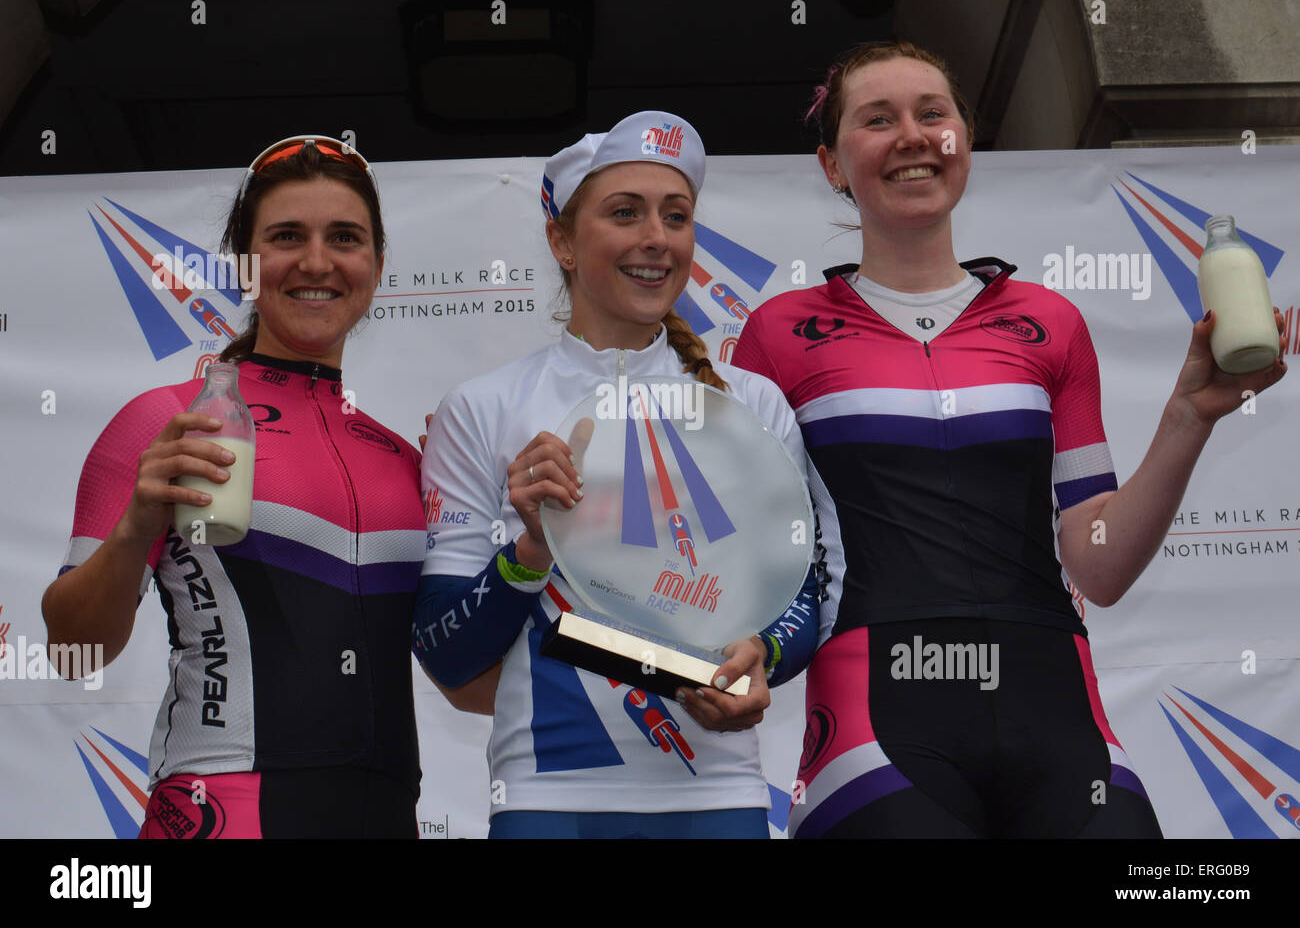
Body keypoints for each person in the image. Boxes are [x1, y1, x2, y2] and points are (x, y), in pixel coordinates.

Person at [732, 41, 1289, 838]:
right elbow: (758, 552)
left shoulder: (1049, 321)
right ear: (831, 164)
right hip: (875, 714)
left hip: (1055, 705)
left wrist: (1188, 417)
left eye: (933, 114)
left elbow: (1096, 562)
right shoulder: (779, 333)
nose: (913, 136)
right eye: (877, 120)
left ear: (964, 137)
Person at [413, 111, 837, 838]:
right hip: (547, 797)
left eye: (676, 216)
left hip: (720, 797)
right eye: (625, 213)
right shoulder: (482, 408)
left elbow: (808, 586)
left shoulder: (751, 403)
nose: (656, 238)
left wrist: (761, 653)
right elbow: (446, 653)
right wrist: (529, 554)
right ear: (562, 242)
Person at [43, 136, 426, 838]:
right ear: (246, 264)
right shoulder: (170, 420)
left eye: (345, 237)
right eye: (287, 237)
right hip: (226, 809)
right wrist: (134, 527)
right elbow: (73, 654)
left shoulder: (405, 457)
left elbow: (468, 679)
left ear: (374, 263)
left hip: (386, 815)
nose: (317, 262)